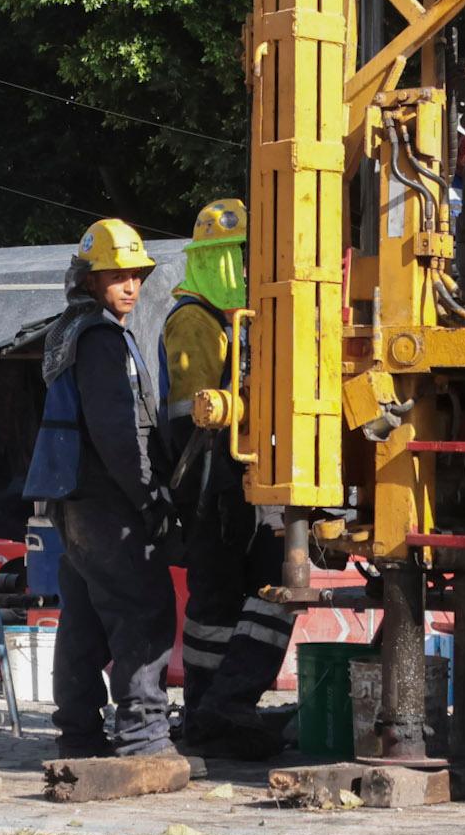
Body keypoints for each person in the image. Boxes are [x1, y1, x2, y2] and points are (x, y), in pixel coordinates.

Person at [24, 218, 178, 763]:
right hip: (106, 499)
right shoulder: (102, 341)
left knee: (85, 615)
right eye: (116, 276)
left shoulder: (71, 330)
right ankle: (143, 738)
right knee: (142, 607)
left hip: (75, 499)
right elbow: (117, 430)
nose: (130, 286)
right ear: (90, 280)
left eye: (135, 275)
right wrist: (147, 496)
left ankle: (79, 736)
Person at [158, 197, 296, 760]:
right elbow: (193, 415)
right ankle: (212, 712)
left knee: (252, 594)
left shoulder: (238, 319)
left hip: (239, 482)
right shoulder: (194, 319)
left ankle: (218, 712)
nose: (241, 272)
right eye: (235, 260)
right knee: (231, 599)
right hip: (216, 485)